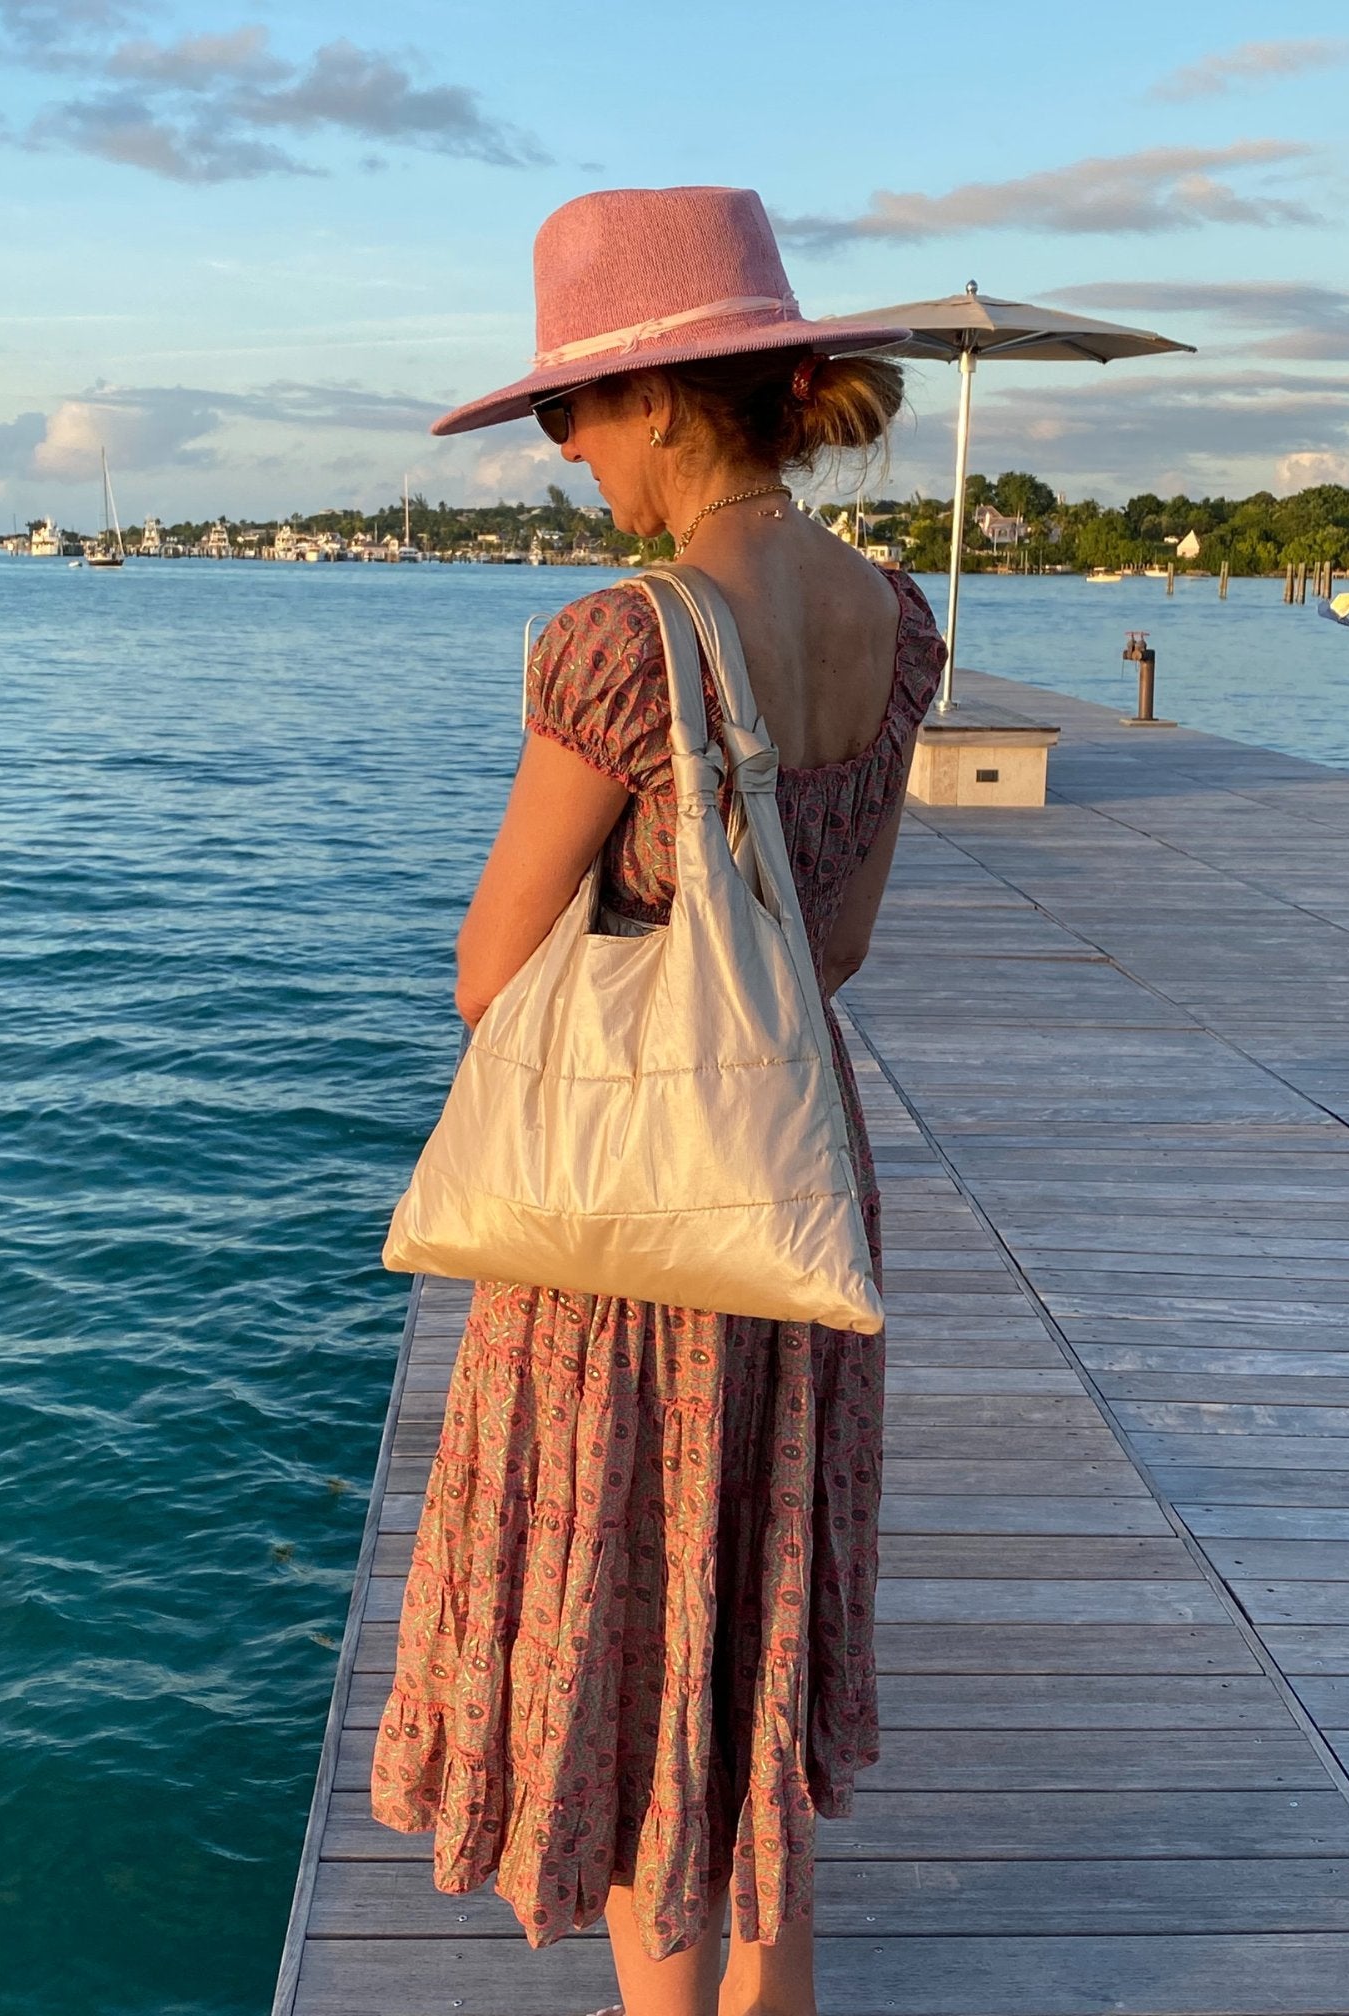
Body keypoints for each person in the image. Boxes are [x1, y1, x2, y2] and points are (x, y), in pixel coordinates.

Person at [370, 185, 945, 2016]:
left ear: (674, 398)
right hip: (792, 1164)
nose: (564, 453)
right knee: (745, 1641)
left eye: (571, 411)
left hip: (640, 1215)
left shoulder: (621, 640)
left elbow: (489, 977)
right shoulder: (894, 620)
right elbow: (829, 948)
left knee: (631, 1659)